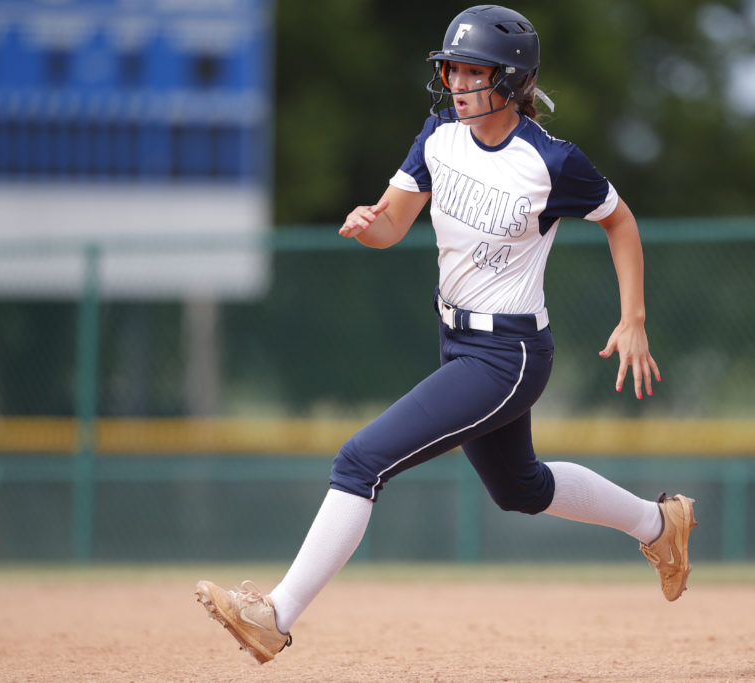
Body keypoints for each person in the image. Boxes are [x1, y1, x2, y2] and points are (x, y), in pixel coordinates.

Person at [195, 4, 696, 665]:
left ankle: (276, 615)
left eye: (473, 71)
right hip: (457, 340)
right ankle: (661, 523)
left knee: (359, 461)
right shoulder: (438, 136)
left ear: (513, 81)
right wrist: (365, 224)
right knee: (521, 488)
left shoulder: (549, 161)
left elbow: (620, 220)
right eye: (452, 69)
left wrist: (632, 318)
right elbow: (392, 225)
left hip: (510, 354)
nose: (458, 82)